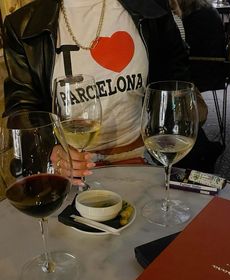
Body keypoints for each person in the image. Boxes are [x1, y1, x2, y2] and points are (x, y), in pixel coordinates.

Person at [2, 0, 218, 180]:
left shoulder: (150, 7)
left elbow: (174, 81)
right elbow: (23, 107)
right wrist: (51, 150)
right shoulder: (22, 25)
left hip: (146, 157)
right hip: (71, 168)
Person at [176, 0, 226, 92]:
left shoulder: (199, 15)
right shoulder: (204, 9)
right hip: (214, 66)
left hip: (205, 69)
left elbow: (186, 45)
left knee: (166, 68)